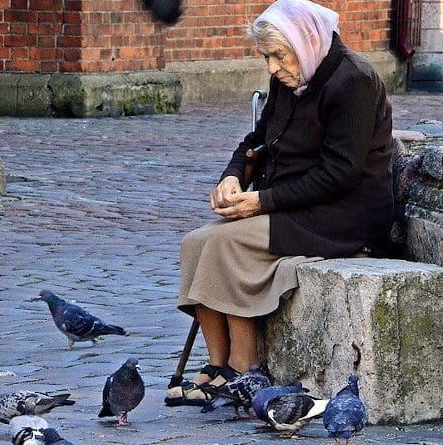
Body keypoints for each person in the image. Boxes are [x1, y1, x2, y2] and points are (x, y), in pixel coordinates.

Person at [165, 0, 395, 406]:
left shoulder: (352, 81)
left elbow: (340, 172)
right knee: (195, 242)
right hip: (290, 203)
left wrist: (262, 203)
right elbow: (255, 141)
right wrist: (232, 177)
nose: (272, 67)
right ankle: (217, 365)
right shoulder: (291, 78)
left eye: (278, 55)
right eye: (267, 57)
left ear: (305, 43)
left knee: (226, 243)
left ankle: (242, 366)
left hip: (341, 216)